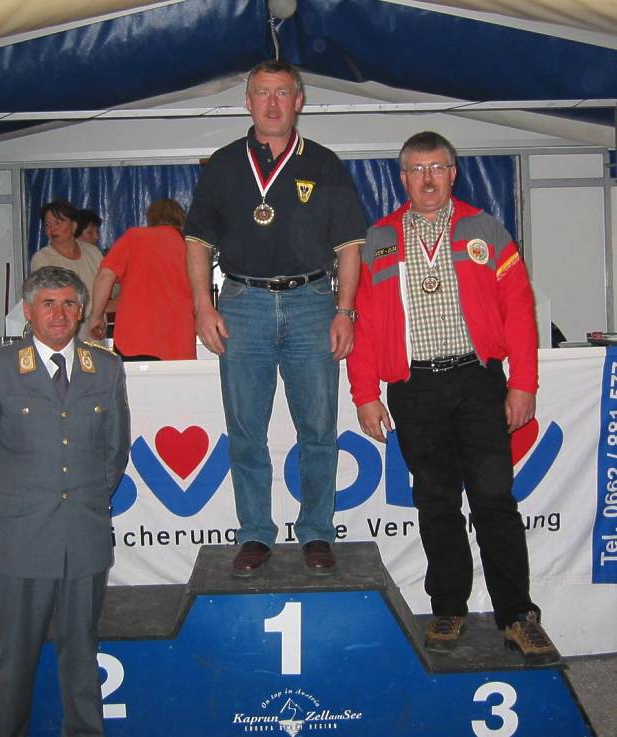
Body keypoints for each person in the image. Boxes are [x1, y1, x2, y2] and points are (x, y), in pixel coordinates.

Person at [347, 131, 558, 663]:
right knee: (435, 500)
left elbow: (519, 308)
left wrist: (524, 382)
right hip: (413, 388)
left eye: (437, 167)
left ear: (453, 173)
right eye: (417, 169)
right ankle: (447, 607)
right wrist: (365, 393)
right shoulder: (378, 239)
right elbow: (363, 324)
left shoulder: (486, 229)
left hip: (477, 381)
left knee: (494, 498)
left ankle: (518, 615)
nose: (427, 179)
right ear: (402, 178)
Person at [185, 60, 365, 576]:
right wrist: (203, 306)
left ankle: (317, 531)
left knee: (319, 429)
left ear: (299, 100)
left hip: (313, 302)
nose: (271, 103)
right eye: (262, 93)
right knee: (245, 430)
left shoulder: (325, 164)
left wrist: (344, 310)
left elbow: (350, 248)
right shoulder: (223, 165)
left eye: (282, 93)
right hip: (243, 303)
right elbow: (196, 243)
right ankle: (255, 533)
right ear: (247, 102)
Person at [0, 266, 131, 737]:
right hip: (20, 539)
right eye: (48, 304)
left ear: (82, 311)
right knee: (15, 661)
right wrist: (6, 509)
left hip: (84, 536)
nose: (59, 313)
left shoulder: (106, 368)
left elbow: (115, 452)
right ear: (29, 312)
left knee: (82, 658)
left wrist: (87, 501)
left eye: (69, 303)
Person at [89, 198, 196, 360]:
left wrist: (96, 316)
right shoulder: (189, 247)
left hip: (135, 338)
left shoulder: (134, 237)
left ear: (150, 217)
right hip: (179, 340)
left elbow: (105, 276)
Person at [31, 200, 103, 340]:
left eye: (57, 223)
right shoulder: (42, 259)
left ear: (74, 226)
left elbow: (111, 287)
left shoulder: (93, 252)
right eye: (47, 225)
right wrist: (102, 305)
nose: (52, 229)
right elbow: (54, 301)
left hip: (96, 333)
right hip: (63, 334)